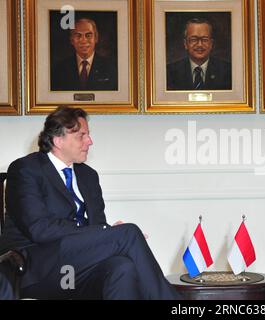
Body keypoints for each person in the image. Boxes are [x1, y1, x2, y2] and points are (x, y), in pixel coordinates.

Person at [0, 106, 180, 300]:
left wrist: (106, 232)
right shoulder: (26, 170)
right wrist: (104, 232)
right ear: (58, 140)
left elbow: (95, 227)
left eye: (88, 135)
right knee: (128, 233)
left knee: (122, 266)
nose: (90, 141)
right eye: (81, 136)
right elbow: (39, 229)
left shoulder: (88, 176)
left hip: (77, 269)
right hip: (39, 269)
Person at [51, 18, 118, 91]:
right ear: (72, 40)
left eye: (88, 35)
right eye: (78, 35)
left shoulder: (111, 68)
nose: (83, 40)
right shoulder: (59, 69)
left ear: (96, 38)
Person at [166, 17, 232, 91]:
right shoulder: (169, 72)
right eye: (194, 39)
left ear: (211, 44)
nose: (200, 45)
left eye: (205, 39)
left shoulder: (228, 71)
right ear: (185, 43)